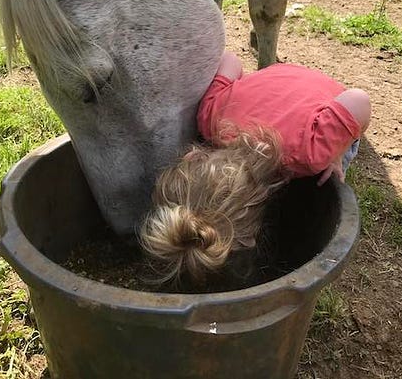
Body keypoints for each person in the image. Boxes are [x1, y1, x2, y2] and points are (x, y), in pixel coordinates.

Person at [140, 51, 371, 286]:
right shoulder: (210, 118)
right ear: (193, 157)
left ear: (254, 234)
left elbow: (358, 99)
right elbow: (229, 59)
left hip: (330, 99)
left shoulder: (310, 152)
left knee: (327, 170)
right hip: (275, 78)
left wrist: (336, 152)